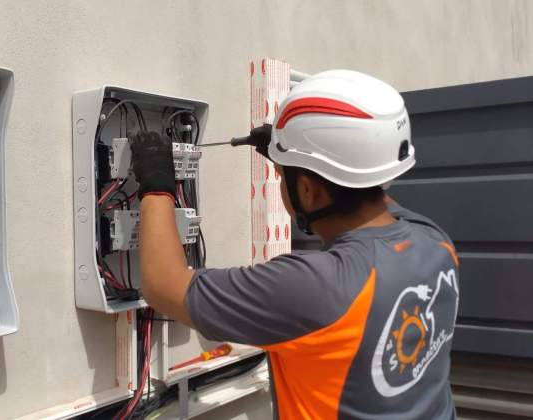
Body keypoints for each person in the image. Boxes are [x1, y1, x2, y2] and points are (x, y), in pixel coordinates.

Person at [130, 70, 459, 419]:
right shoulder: (435, 241)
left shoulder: (318, 287)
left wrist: (157, 185)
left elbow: (162, 283)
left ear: (307, 190)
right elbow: (372, 191)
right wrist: (291, 157)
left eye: (283, 176)